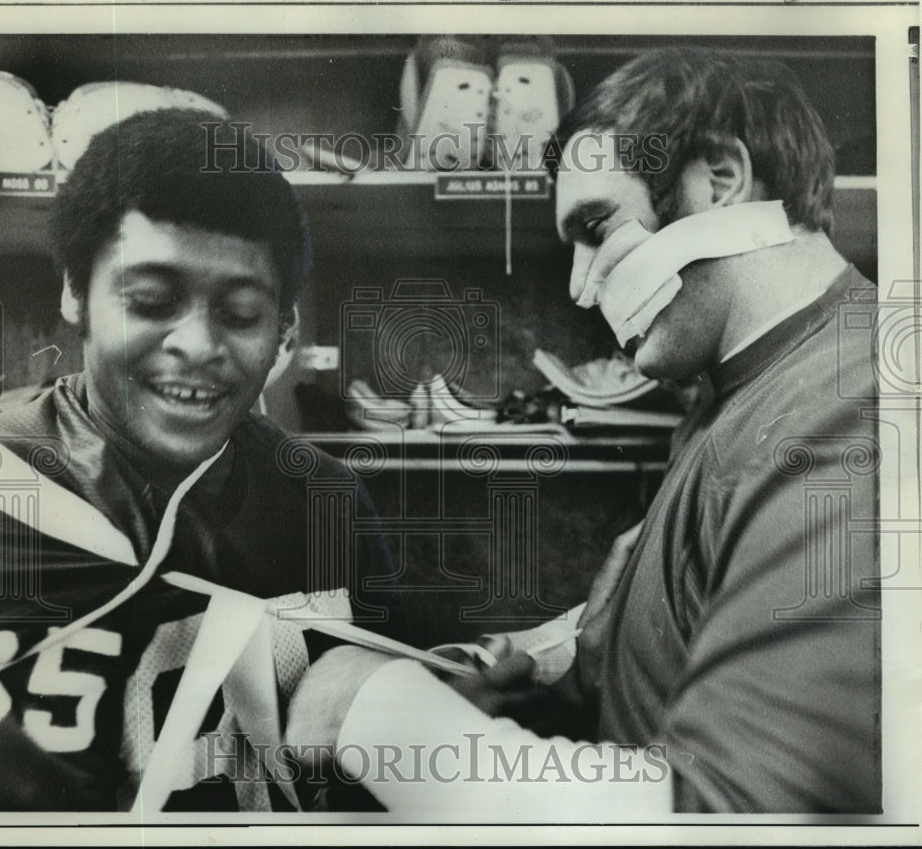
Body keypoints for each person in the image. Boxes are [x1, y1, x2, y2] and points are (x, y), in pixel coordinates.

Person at [285, 46, 881, 815]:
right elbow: (693, 610)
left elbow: (732, 820)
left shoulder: (849, 409)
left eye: (596, 226)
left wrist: (371, 712)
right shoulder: (739, 388)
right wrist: (547, 659)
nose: (579, 283)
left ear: (721, 180)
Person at [0, 108, 406, 812]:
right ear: (75, 291)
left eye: (242, 313)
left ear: (283, 331)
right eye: (151, 301)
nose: (197, 345)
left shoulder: (324, 501)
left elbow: (374, 757)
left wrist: (437, 711)